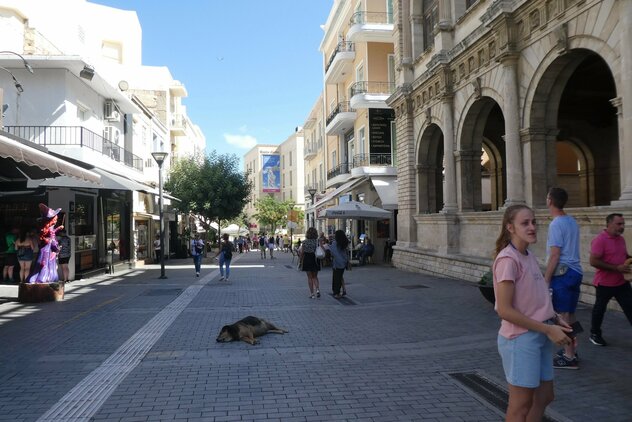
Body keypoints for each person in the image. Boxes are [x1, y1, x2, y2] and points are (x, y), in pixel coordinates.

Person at [493, 205, 571, 421]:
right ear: (510, 227)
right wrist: (548, 328)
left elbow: (534, 297)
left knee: (545, 396)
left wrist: (554, 316)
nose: (532, 227)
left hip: (541, 333)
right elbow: (504, 309)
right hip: (520, 339)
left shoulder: (528, 256)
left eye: (534, 222)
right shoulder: (508, 260)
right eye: (525, 223)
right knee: (521, 404)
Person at [543, 187, 583, 369]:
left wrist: (546, 279)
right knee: (571, 314)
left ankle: (569, 356)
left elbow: (555, 255)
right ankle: (573, 349)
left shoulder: (556, 224)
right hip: (576, 272)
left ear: (550, 200)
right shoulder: (571, 221)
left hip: (563, 273)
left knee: (564, 316)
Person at [588, 213, 632, 346]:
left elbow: (623, 255)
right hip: (604, 284)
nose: (622, 227)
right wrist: (616, 268)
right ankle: (595, 333)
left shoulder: (621, 239)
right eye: (619, 224)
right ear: (609, 224)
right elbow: (593, 261)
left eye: (623, 224)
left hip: (621, 283)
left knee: (631, 308)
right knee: (599, 310)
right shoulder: (600, 240)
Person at [299, 227, 321, 299]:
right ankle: (317, 290)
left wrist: (300, 260)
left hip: (307, 259)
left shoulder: (304, 242)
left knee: (309, 278)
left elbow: (302, 253)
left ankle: (312, 294)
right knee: (315, 277)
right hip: (315, 259)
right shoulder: (317, 241)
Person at [329, 230, 349, 298]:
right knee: (340, 276)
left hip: (337, 263)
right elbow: (345, 253)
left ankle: (336, 293)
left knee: (336, 278)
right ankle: (342, 290)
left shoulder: (335, 243)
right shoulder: (344, 242)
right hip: (343, 262)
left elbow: (333, 252)